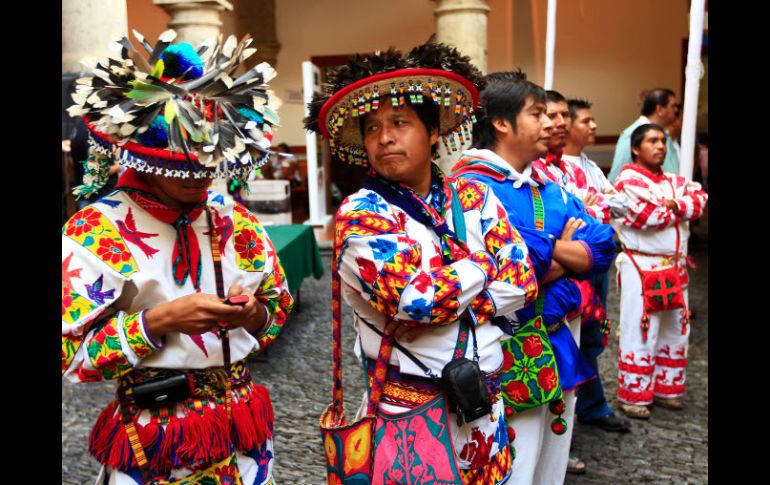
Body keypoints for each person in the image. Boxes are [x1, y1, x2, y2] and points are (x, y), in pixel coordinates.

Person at [62, 30, 293, 484]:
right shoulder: (94, 230)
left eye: (208, 162)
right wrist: (158, 322)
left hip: (244, 435)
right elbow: (71, 356)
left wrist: (253, 314)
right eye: (179, 165)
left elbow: (278, 308)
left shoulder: (235, 221)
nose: (198, 178)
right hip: (155, 433)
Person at [305, 42, 539, 484]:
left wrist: (454, 292)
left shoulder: (474, 196)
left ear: (433, 133)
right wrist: (483, 265)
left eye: (399, 123)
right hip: (408, 410)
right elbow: (416, 300)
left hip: (483, 405)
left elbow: (524, 282)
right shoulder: (363, 213)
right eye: (372, 128)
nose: (385, 137)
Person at [451, 70, 616, 485]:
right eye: (538, 113)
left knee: (550, 465)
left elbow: (604, 244)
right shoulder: (470, 189)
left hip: (559, 342)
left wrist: (546, 250)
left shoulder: (549, 187)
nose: (551, 124)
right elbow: (509, 266)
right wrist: (563, 253)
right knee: (514, 467)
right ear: (502, 123)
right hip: (506, 350)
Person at [611, 124, 707, 419]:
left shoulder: (673, 181)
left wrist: (676, 203)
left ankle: (668, 389)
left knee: (676, 329)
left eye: (663, 141)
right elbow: (646, 216)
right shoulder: (627, 180)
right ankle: (634, 394)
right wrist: (679, 207)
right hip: (642, 266)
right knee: (641, 330)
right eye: (652, 141)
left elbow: (700, 200)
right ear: (636, 149)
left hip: (675, 267)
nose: (660, 146)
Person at [561, 98, 631, 433]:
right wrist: (592, 205)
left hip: (598, 259)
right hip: (573, 262)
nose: (594, 126)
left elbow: (621, 202)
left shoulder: (588, 165)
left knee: (593, 333)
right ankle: (580, 408)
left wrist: (594, 204)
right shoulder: (557, 166)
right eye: (586, 121)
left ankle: (590, 404)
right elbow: (574, 218)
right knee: (574, 334)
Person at [608, 88, 680, 183]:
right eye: (673, 106)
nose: (676, 110)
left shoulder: (664, 133)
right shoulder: (632, 134)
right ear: (660, 110)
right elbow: (616, 176)